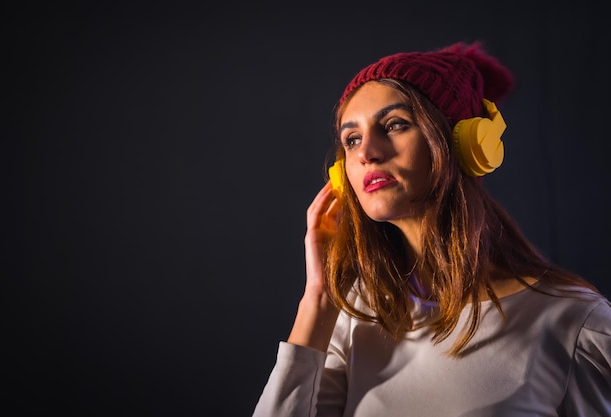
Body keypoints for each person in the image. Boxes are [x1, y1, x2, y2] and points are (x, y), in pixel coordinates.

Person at [251, 41, 611, 417]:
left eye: (394, 125)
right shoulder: (355, 314)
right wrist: (320, 299)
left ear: (464, 144)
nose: (366, 153)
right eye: (351, 139)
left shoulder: (575, 323)